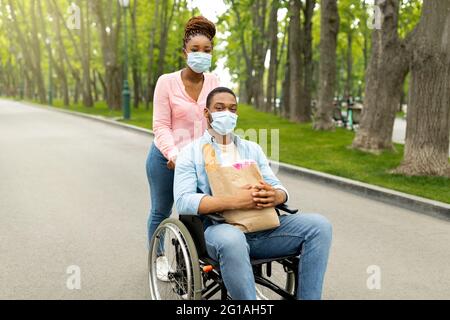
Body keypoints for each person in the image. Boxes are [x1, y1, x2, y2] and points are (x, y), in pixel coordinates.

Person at [174, 87, 333, 300]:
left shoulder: (252, 149)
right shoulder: (191, 153)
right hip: (219, 228)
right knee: (233, 240)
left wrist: (276, 196)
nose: (226, 113)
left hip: (262, 228)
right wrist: (234, 201)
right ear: (206, 113)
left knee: (320, 226)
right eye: (219, 108)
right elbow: (183, 201)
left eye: (232, 109)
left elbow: (278, 186)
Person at [146, 16, 220, 277]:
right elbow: (161, 126)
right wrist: (174, 155)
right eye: (195, 49)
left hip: (199, 160)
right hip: (165, 158)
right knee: (161, 210)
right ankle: (159, 257)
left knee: (199, 210)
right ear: (184, 52)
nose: (202, 54)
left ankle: (198, 261)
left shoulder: (215, 82)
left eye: (207, 50)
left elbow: (218, 122)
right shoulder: (166, 82)